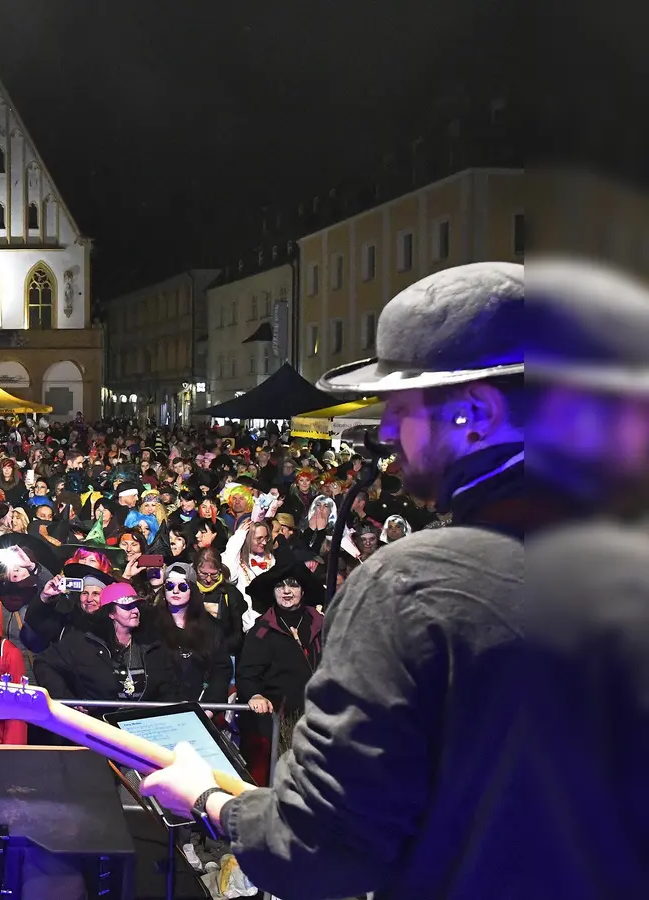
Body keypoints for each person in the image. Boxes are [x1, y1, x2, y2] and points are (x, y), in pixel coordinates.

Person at [140, 262, 527, 899]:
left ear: (476, 415)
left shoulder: (409, 586)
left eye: (400, 409)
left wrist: (210, 800)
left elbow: (320, 845)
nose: (383, 434)